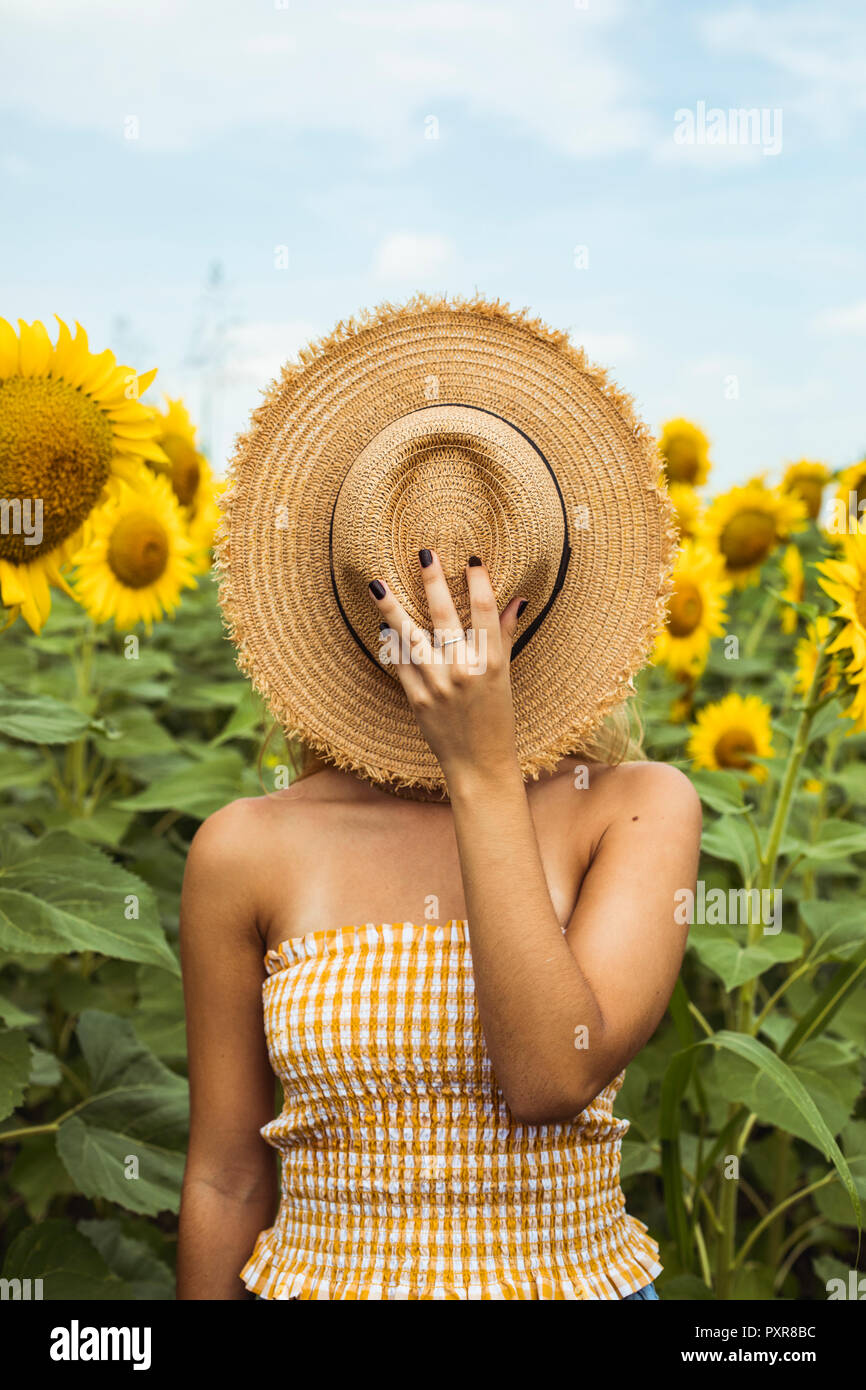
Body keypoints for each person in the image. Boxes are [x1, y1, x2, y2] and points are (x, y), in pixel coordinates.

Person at [176, 296, 701, 1301]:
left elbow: (550, 1074)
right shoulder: (245, 849)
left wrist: (478, 769)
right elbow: (226, 1174)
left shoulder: (634, 808)